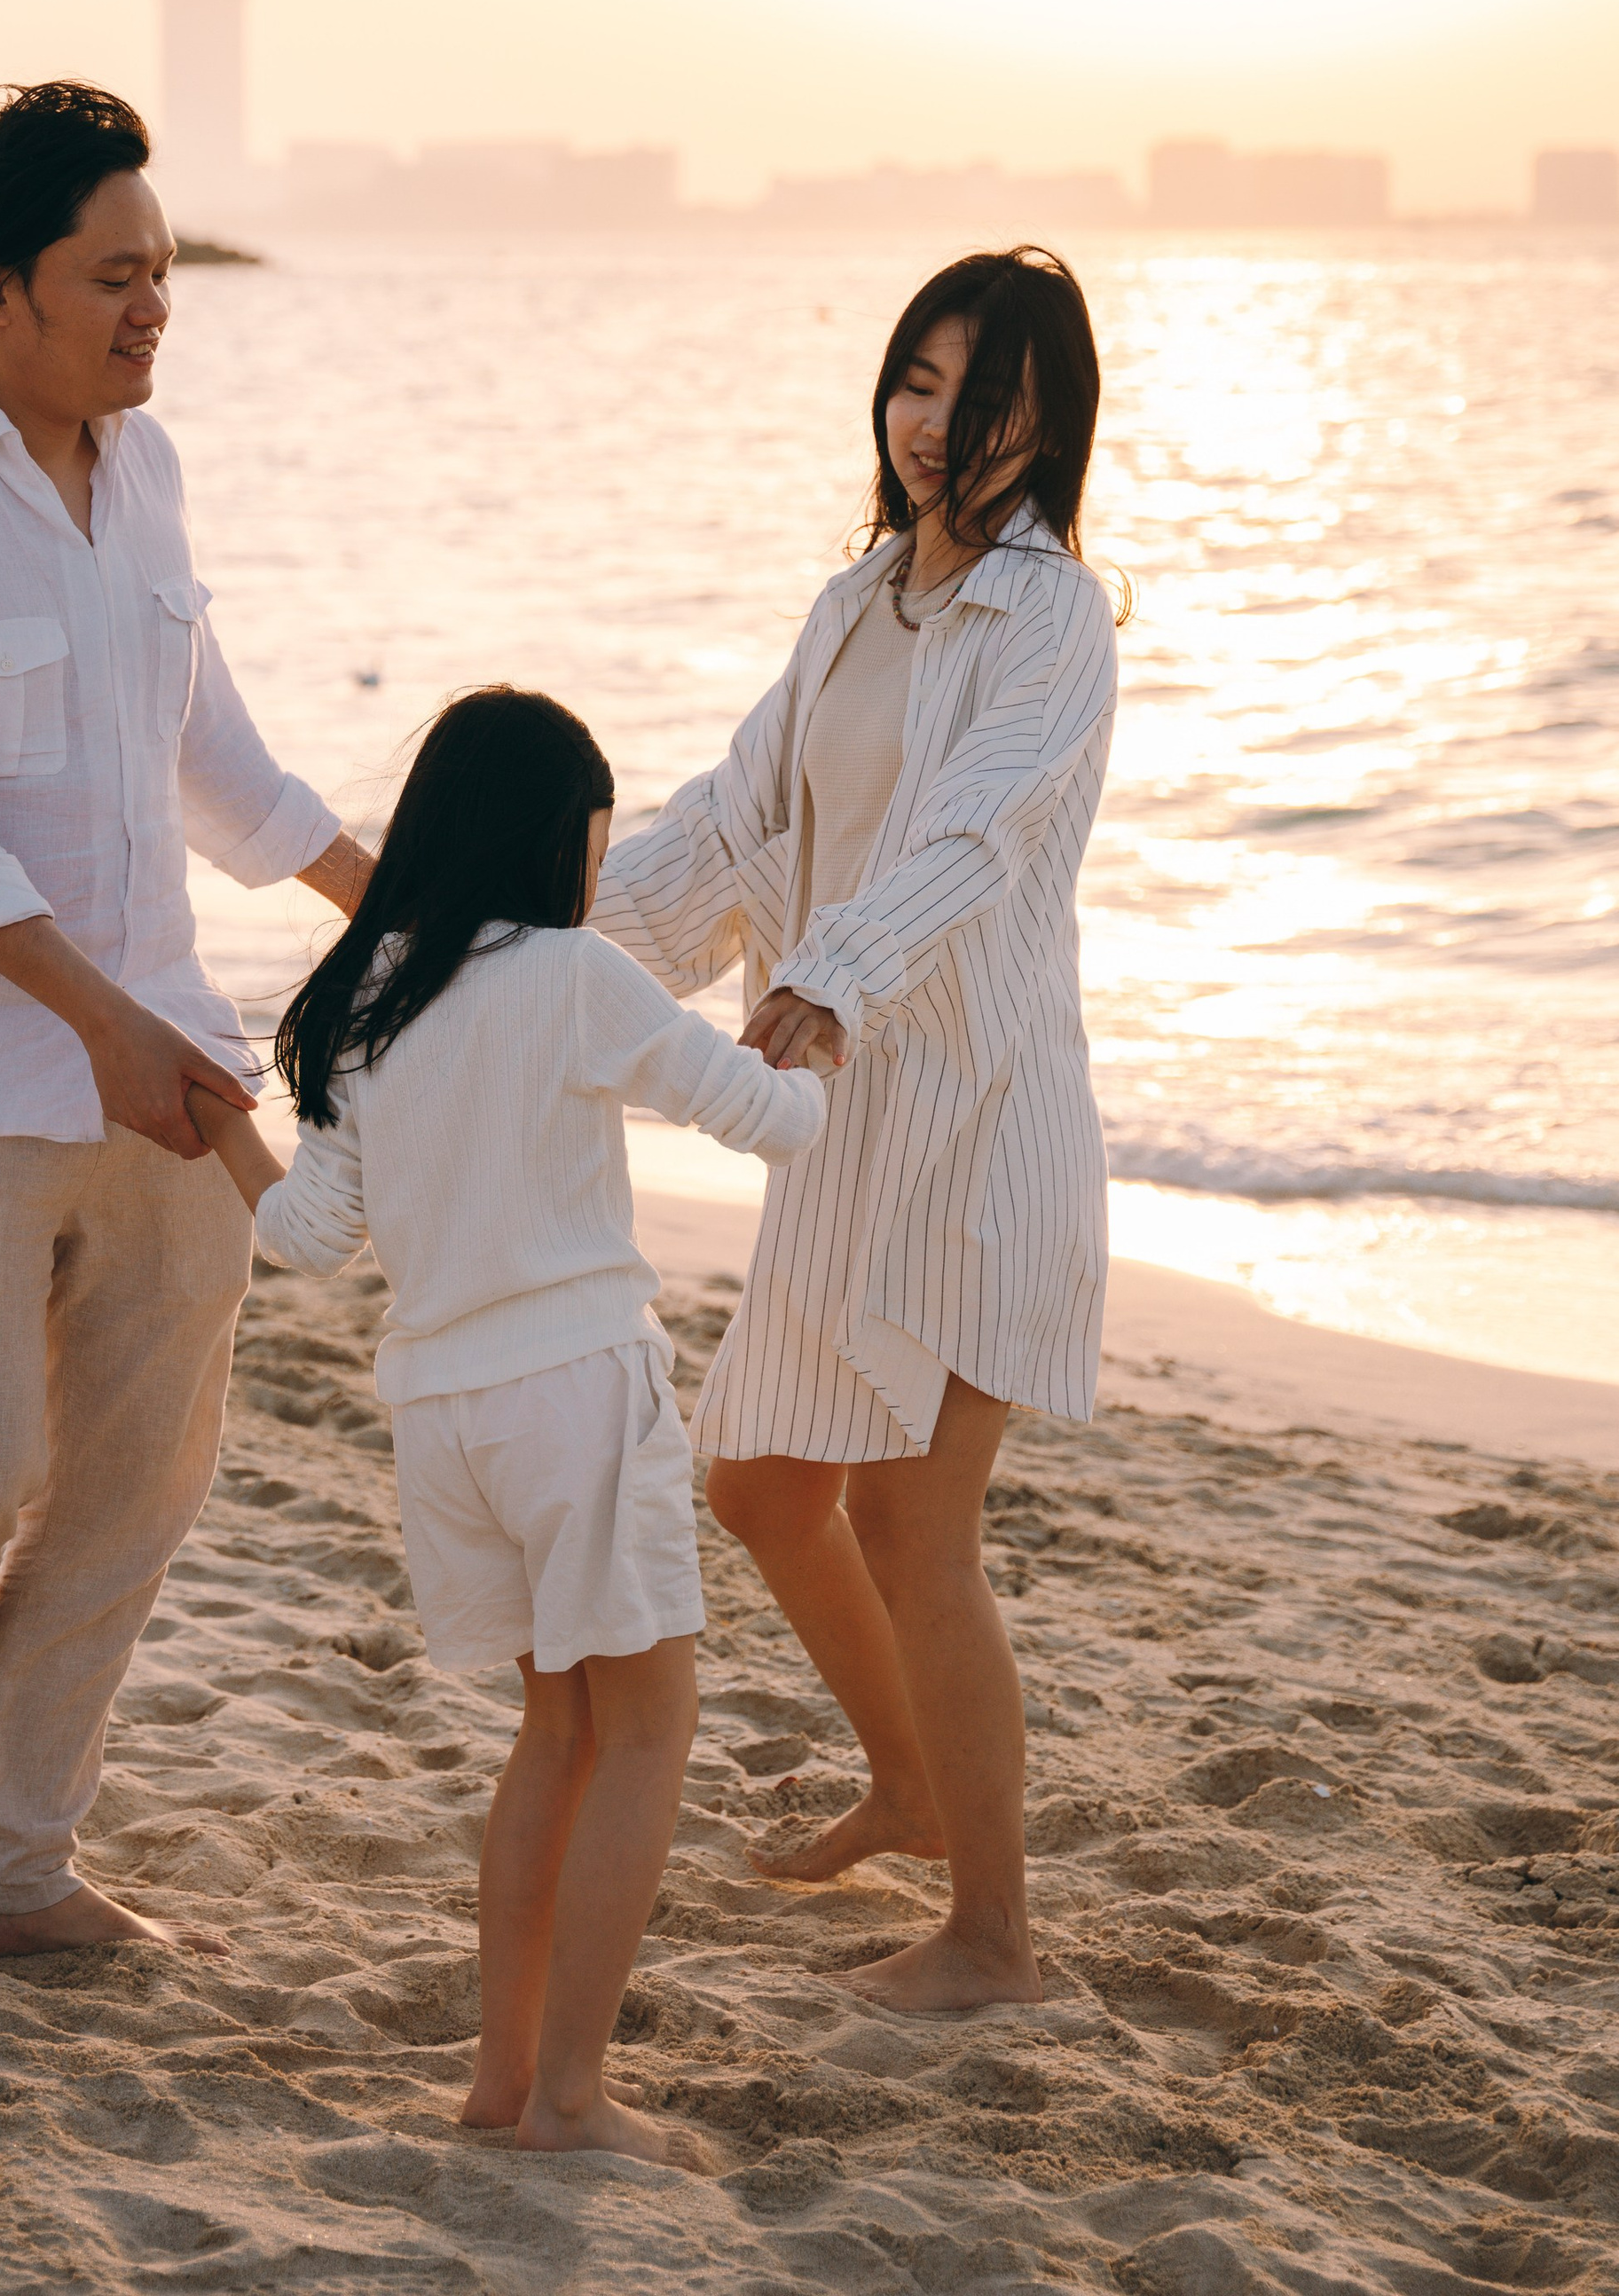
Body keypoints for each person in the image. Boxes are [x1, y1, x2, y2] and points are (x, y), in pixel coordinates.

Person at [0, 79, 373, 1954]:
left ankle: (22, 1865)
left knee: (128, 1500)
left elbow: (222, 771)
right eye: (114, 276)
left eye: (164, 272)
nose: (152, 309)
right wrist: (96, 1025)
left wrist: (423, 909)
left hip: (167, 1073)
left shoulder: (152, 476)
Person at [186, 687, 825, 2159]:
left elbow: (304, 1235)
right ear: (556, 840)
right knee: (652, 1726)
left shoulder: (370, 991)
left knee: (557, 1729)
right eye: (594, 844)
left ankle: (503, 2084)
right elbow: (770, 1124)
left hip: (446, 1421)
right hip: (577, 1392)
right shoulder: (571, 973)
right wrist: (820, 1041)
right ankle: (576, 2102)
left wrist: (222, 1109)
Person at [592, 248, 1120, 2015]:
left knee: (913, 1514)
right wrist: (512, 928)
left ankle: (993, 1935)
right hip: (841, 1122)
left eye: (979, 391)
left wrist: (824, 973)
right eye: (912, 377)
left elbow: (971, 836)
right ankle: (905, 1778)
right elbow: (731, 824)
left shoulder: (1051, 618)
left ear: (1044, 420)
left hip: (972, 1116)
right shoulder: (853, 604)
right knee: (757, 1480)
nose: (933, 420)